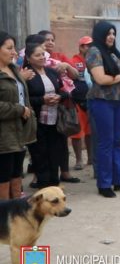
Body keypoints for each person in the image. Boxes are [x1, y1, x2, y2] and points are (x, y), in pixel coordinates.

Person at [85, 21, 120, 198]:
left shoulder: (112, 53)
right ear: (99, 34)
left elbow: (118, 78)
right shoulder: (94, 51)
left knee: (117, 142)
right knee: (105, 143)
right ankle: (104, 183)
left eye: (113, 34)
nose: (112, 37)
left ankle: (119, 181)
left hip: (117, 100)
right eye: (108, 33)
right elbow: (101, 79)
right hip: (101, 101)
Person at [24, 43, 71, 188]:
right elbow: (25, 99)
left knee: (54, 153)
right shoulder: (27, 74)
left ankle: (54, 184)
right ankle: (43, 185)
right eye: (37, 55)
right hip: (37, 121)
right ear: (28, 58)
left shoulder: (52, 72)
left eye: (43, 54)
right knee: (39, 154)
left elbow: (65, 90)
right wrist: (42, 100)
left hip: (55, 119)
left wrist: (59, 97)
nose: (41, 57)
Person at [38, 29, 80, 183]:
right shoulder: (34, 60)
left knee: (62, 140)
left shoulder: (60, 58)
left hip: (61, 104)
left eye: (52, 40)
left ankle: (65, 172)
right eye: (46, 40)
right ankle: (40, 176)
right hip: (42, 107)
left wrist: (66, 66)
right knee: (41, 145)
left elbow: (76, 75)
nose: (50, 43)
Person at [0, 31, 36, 199]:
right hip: (3, 136)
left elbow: (23, 97)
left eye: (14, 48)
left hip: (19, 132)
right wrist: (19, 110)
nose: (14, 52)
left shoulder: (14, 70)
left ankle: (15, 213)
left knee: (17, 174)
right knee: (3, 176)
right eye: (9, 48)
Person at [69, 36, 93, 170]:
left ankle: (90, 158)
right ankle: (79, 160)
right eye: (86, 45)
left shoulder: (95, 59)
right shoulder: (74, 61)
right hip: (78, 101)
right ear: (81, 47)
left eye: (90, 45)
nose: (88, 48)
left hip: (91, 100)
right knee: (77, 132)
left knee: (90, 132)